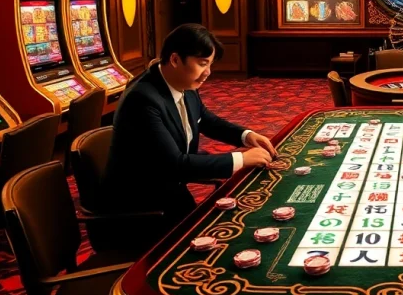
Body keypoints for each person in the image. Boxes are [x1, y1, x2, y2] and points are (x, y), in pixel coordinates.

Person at [101, 24, 278, 236]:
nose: (208, 73)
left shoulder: (182, 83)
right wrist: (241, 160)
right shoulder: (142, 100)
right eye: (202, 64)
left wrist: (246, 136)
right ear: (175, 60)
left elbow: (206, 120)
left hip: (170, 194)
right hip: (139, 214)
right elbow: (175, 165)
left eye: (210, 64)